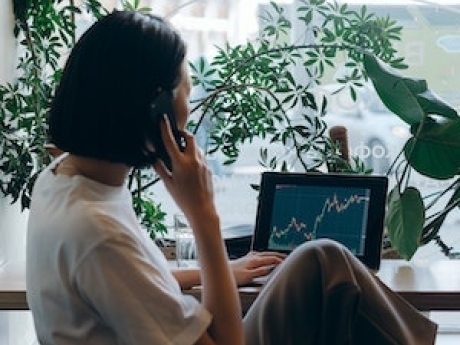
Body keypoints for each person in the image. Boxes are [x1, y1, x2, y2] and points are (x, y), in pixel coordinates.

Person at [26, 10, 437, 345]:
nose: (193, 100)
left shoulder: (64, 179)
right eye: (187, 87)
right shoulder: (99, 232)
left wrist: (226, 268)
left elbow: (132, 277)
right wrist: (204, 218)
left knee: (322, 258)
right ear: (157, 109)